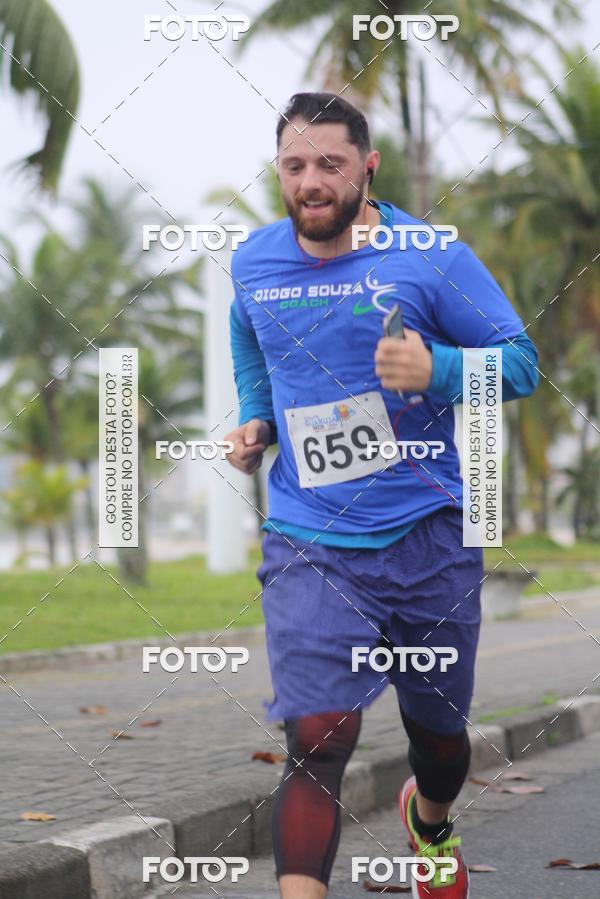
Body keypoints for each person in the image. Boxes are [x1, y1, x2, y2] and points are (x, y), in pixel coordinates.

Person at [224, 91, 538, 898]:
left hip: (427, 533)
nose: (311, 182)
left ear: (367, 167)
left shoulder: (429, 256)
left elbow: (521, 361)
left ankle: (429, 822)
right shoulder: (256, 263)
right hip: (310, 537)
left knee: (438, 741)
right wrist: (257, 417)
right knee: (319, 735)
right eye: (295, 166)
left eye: (330, 164)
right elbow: (247, 334)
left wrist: (438, 370)